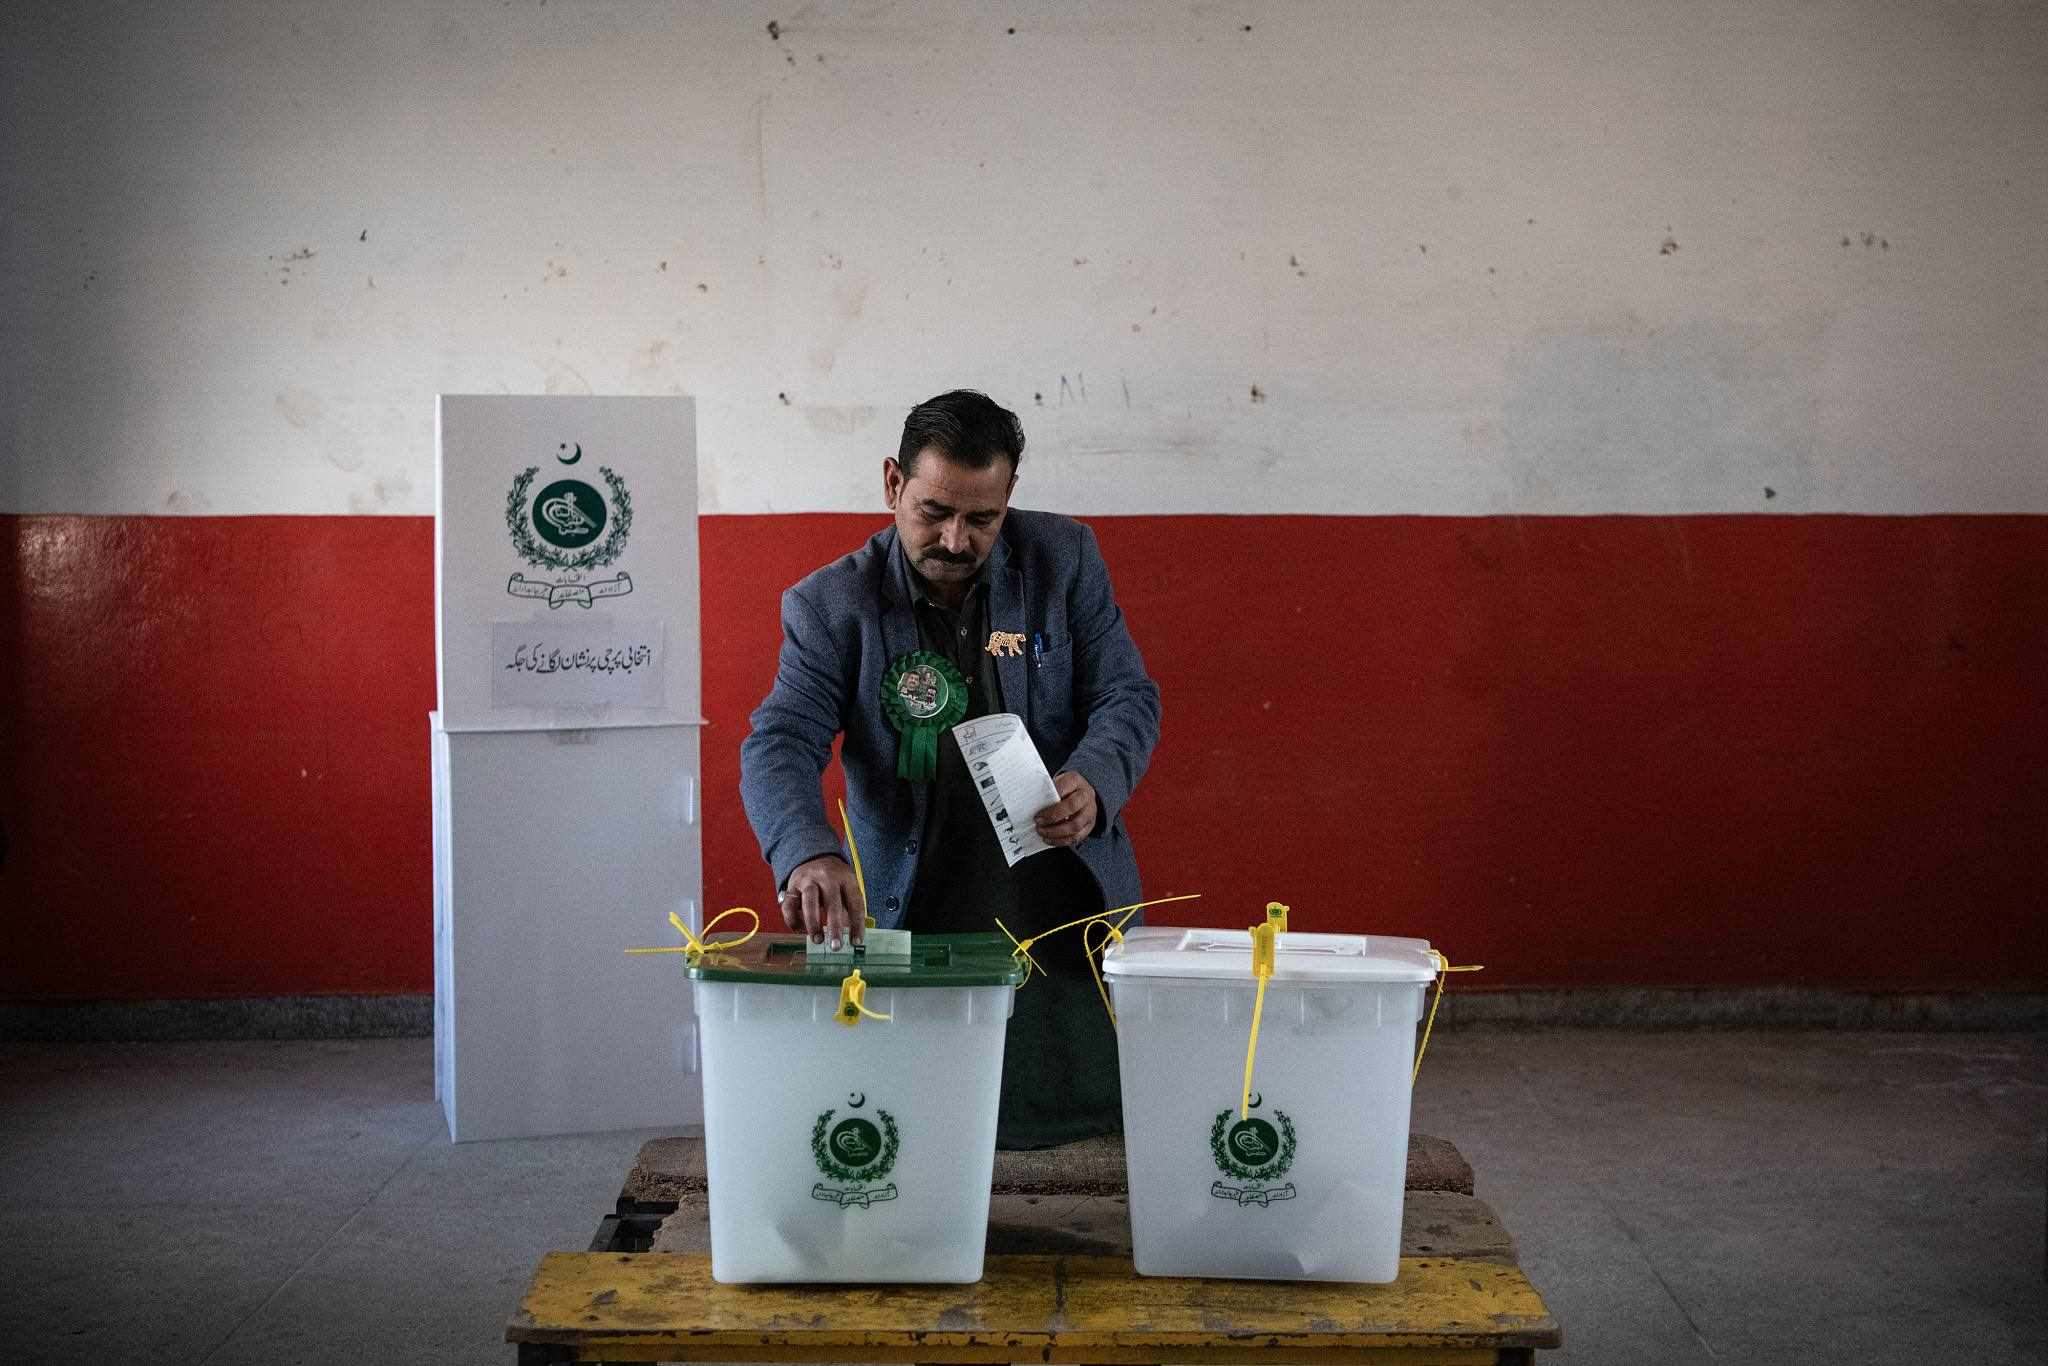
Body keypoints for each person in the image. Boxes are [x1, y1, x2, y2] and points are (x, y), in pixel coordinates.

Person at [739, 389, 1161, 1148]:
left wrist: (1096, 779)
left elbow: (1126, 696)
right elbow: (781, 741)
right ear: (892, 484)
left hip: (1061, 904)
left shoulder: (1064, 560)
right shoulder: (831, 605)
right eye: (933, 512)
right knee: (926, 1128)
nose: (956, 540)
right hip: (917, 903)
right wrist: (806, 851)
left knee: (1091, 1131)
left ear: (1010, 497)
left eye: (982, 519)